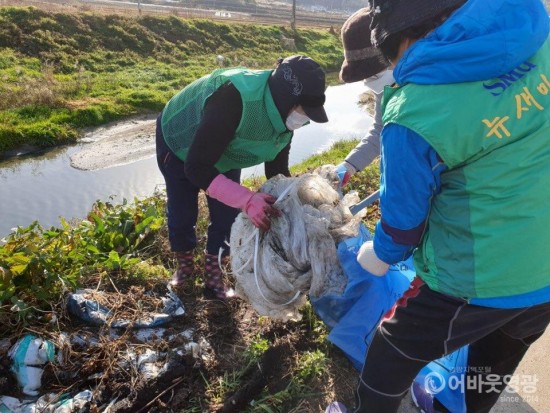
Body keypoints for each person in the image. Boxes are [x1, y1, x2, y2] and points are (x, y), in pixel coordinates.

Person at [330, 0, 550, 412]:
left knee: (388, 355)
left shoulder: (417, 106)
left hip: (481, 276)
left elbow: (403, 224)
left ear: (408, 37)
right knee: (497, 355)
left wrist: (378, 254)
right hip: (544, 269)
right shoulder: (536, 34)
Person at [155, 55, 328, 299]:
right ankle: (184, 268)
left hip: (225, 149)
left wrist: (293, 202)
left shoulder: (284, 117)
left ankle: (213, 274)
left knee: (226, 216)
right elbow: (196, 168)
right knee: (183, 210)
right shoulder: (233, 99)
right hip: (180, 142)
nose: (304, 118)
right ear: (285, 98)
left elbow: (277, 170)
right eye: (303, 110)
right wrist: (248, 200)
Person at [335, 7, 394, 188]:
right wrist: (349, 165)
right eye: (365, 76)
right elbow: (379, 130)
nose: (369, 82)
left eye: (373, 74)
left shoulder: (435, 82)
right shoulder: (387, 88)